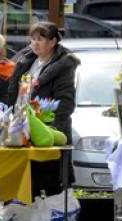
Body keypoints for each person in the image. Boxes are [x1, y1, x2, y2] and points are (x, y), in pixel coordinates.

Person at [7, 22, 79, 198]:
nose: (35, 43)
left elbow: (65, 102)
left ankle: (48, 213)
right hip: (22, 125)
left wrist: (51, 130)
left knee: (49, 183)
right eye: (32, 39)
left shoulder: (63, 65)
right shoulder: (26, 59)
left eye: (40, 39)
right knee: (25, 180)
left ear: (52, 42)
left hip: (48, 127)